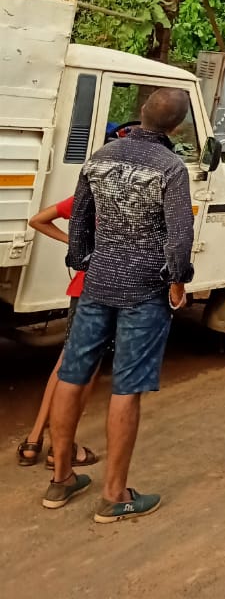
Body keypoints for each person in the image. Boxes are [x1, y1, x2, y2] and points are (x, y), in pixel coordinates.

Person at [43, 88, 195, 521]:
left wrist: (83, 260)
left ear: (141, 114)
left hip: (98, 281)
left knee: (74, 373)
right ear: (177, 127)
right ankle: (114, 495)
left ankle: (61, 479)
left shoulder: (101, 156)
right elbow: (179, 237)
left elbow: (80, 220)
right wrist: (178, 281)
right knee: (126, 386)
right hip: (145, 290)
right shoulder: (171, 167)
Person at [17, 197, 98, 470]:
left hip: (81, 288)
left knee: (65, 364)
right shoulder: (129, 196)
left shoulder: (84, 198)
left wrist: (73, 243)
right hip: (107, 289)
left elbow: (38, 219)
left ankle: (33, 440)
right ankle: (62, 449)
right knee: (85, 372)